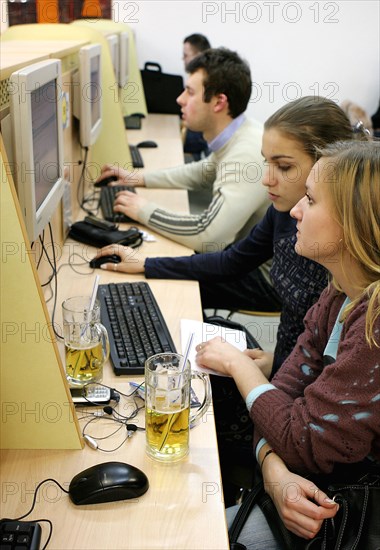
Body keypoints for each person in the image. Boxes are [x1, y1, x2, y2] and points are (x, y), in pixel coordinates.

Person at [194, 139, 380, 548]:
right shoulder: (339, 292)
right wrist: (273, 470)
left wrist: (237, 366)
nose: (295, 209)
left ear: (355, 223)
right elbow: (281, 401)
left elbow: (300, 438)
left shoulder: (375, 324)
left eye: (310, 200)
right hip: (299, 482)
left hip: (344, 515)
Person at [95, 96, 354, 369]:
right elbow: (231, 261)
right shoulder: (283, 212)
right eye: (266, 162)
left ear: (327, 168)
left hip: (295, 387)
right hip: (286, 370)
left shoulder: (341, 254)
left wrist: (262, 368)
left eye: (284, 166)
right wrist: (146, 264)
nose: (267, 178)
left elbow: (331, 380)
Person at [97, 47, 278, 312]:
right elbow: (202, 171)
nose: (180, 99)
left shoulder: (246, 153)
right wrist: (138, 178)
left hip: (266, 281)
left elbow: (209, 236)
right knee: (153, 263)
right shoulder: (241, 133)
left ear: (218, 102)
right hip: (244, 258)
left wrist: (142, 209)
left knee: (154, 283)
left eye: (190, 92)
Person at [182, 33, 211, 160]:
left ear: (198, 56)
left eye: (185, 55)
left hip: (198, 137)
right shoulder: (198, 77)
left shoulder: (204, 81)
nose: (183, 59)